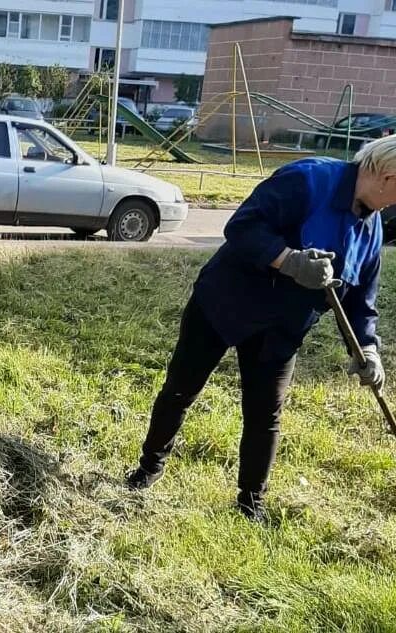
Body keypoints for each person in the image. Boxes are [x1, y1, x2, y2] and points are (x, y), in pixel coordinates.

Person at [125, 136, 396, 522]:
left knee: (265, 414)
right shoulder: (308, 181)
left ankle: (251, 503)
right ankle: (147, 471)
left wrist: (367, 349)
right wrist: (289, 261)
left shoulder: (372, 232)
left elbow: (360, 303)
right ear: (387, 176)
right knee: (180, 390)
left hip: (281, 331)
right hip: (224, 305)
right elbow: (241, 227)